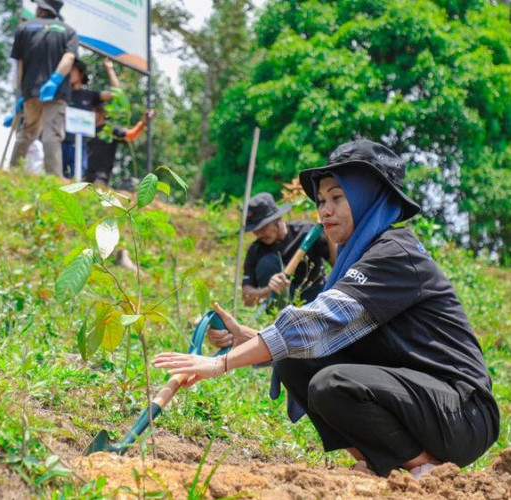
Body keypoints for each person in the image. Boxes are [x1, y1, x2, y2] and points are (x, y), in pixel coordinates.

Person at [153, 139, 499, 479]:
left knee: (333, 382)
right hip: (422, 402)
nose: (324, 211)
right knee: (294, 362)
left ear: (369, 198)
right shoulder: (360, 256)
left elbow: (319, 322)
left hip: (462, 411)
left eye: (337, 197)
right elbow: (319, 336)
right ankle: (377, 461)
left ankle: (425, 467)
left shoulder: (395, 253)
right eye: (321, 200)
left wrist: (222, 363)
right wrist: (247, 339)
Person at [8, 0, 78, 176]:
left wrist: (20, 94)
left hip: (30, 92)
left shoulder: (24, 29)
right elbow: (69, 58)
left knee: (27, 132)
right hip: (56, 92)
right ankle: (53, 178)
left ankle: (13, 173)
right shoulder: (68, 31)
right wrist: (55, 80)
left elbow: (19, 65)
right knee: (51, 135)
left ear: (40, 10)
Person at [242, 193, 335, 307]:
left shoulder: (307, 233)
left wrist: (329, 235)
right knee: (267, 262)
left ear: (277, 219)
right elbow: (246, 299)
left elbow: (337, 264)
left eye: (263, 227)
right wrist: (268, 290)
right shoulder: (256, 250)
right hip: (280, 310)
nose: (259, 234)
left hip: (316, 299)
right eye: (255, 230)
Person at [61, 57, 119, 179]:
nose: (69, 72)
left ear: (80, 73)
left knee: (77, 178)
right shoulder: (61, 94)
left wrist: (109, 69)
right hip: (61, 142)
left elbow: (116, 93)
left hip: (79, 144)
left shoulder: (89, 95)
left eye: (72, 70)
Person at [86, 109, 153, 185]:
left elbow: (130, 135)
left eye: (94, 111)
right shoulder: (87, 130)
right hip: (83, 173)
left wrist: (143, 123)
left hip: (100, 175)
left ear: (102, 113)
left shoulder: (111, 130)